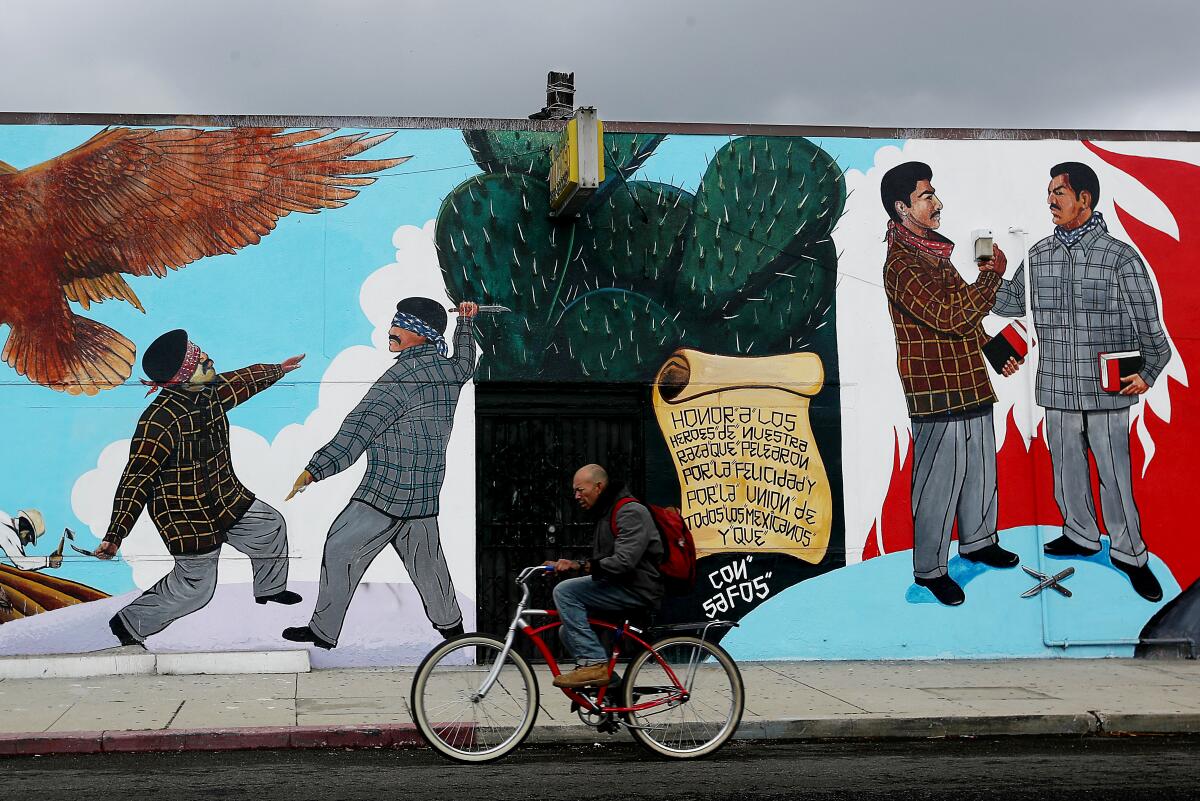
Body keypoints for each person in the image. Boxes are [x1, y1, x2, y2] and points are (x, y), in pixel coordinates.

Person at [994, 162, 1172, 601]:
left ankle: (1131, 555)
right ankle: (1080, 534)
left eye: (1059, 192)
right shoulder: (1037, 255)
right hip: (1056, 387)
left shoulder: (1120, 257)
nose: (1050, 201)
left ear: (1085, 200)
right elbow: (1010, 304)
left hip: (1108, 391)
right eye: (1049, 192)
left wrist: (1148, 373)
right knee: (1066, 470)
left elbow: (1154, 333)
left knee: (1114, 473)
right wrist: (986, 273)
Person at [282, 299, 478, 649]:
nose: (392, 331)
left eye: (401, 326)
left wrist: (315, 469)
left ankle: (323, 633)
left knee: (340, 548)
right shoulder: (448, 372)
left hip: (383, 494)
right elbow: (465, 362)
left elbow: (359, 428)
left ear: (421, 334)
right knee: (430, 567)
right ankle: (453, 631)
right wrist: (465, 322)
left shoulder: (400, 378)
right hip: (422, 496)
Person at [95, 329, 305, 648]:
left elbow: (242, 381)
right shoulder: (159, 421)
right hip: (186, 515)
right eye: (201, 361)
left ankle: (270, 590)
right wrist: (115, 535)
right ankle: (129, 622)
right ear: (183, 377)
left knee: (269, 526)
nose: (209, 362)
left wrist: (277, 369)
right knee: (197, 589)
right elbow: (136, 479)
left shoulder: (210, 391)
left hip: (225, 497)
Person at [880, 161, 1021, 607]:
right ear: (903, 208)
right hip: (933, 391)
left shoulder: (934, 256)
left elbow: (963, 316)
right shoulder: (901, 265)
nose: (937, 204)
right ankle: (930, 570)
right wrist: (991, 276)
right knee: (938, 483)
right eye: (926, 196)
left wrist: (994, 351)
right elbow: (950, 316)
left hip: (970, 383)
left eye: (934, 194)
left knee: (980, 471)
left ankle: (979, 541)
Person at [545, 464, 664, 689]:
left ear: (598, 486)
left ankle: (593, 663)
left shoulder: (629, 511)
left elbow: (623, 562)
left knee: (565, 592)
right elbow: (605, 562)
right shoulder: (607, 512)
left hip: (637, 589)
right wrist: (572, 566)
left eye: (581, 490)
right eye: (575, 491)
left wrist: (581, 566)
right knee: (567, 631)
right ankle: (615, 693)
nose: (576, 496)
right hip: (621, 585)